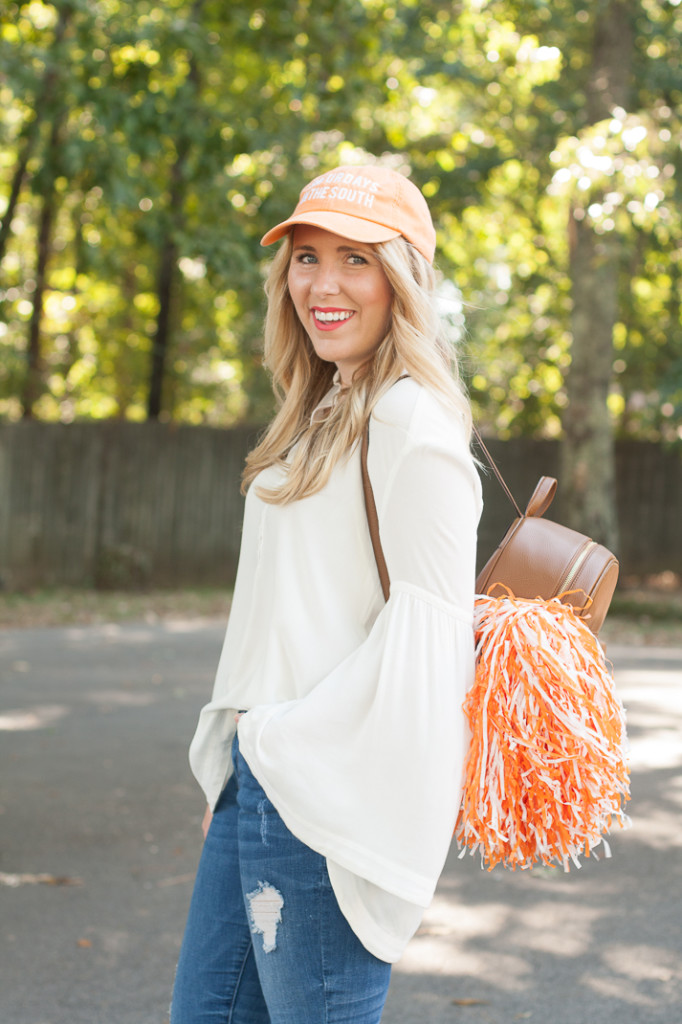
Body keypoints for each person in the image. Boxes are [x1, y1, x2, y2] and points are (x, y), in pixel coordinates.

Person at [170, 162, 482, 1024]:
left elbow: (431, 639)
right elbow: (278, 613)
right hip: (261, 780)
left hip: (328, 789)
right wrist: (240, 759)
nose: (324, 284)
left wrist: (285, 747)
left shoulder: (411, 421)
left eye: (356, 257)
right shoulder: (321, 409)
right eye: (306, 257)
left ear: (402, 279)